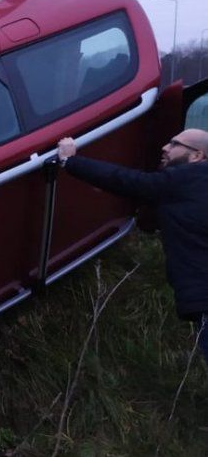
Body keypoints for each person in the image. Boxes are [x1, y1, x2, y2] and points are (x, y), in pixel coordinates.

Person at [57, 130, 208, 362]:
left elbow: (128, 181)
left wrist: (71, 160)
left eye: (174, 143)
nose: (165, 148)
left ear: (197, 155)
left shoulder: (189, 177)